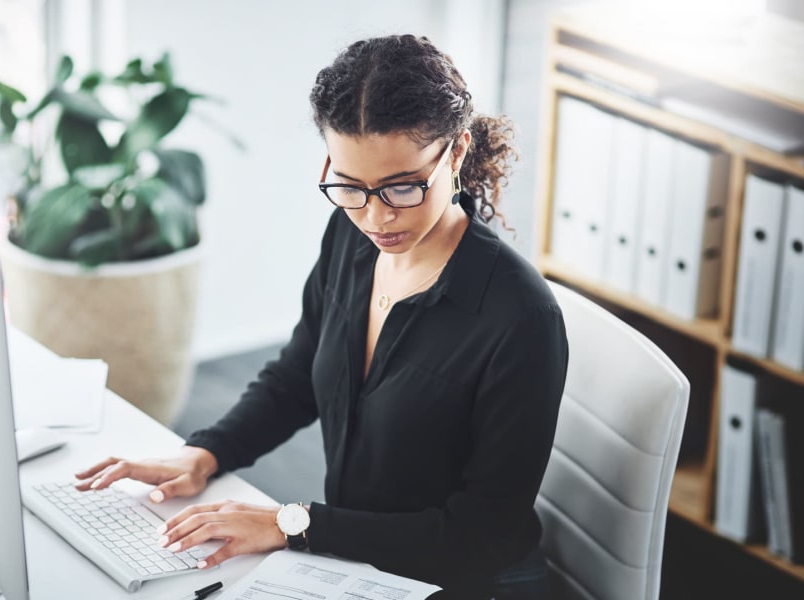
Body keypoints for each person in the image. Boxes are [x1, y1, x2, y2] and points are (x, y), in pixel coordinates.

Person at [75, 34, 568, 599]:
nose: (376, 217)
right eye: (350, 186)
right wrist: (204, 453)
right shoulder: (353, 237)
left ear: (455, 153)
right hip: (362, 559)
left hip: (464, 580)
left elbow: (482, 536)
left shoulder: (521, 318)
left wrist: (295, 523)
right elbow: (298, 373)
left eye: (403, 187)